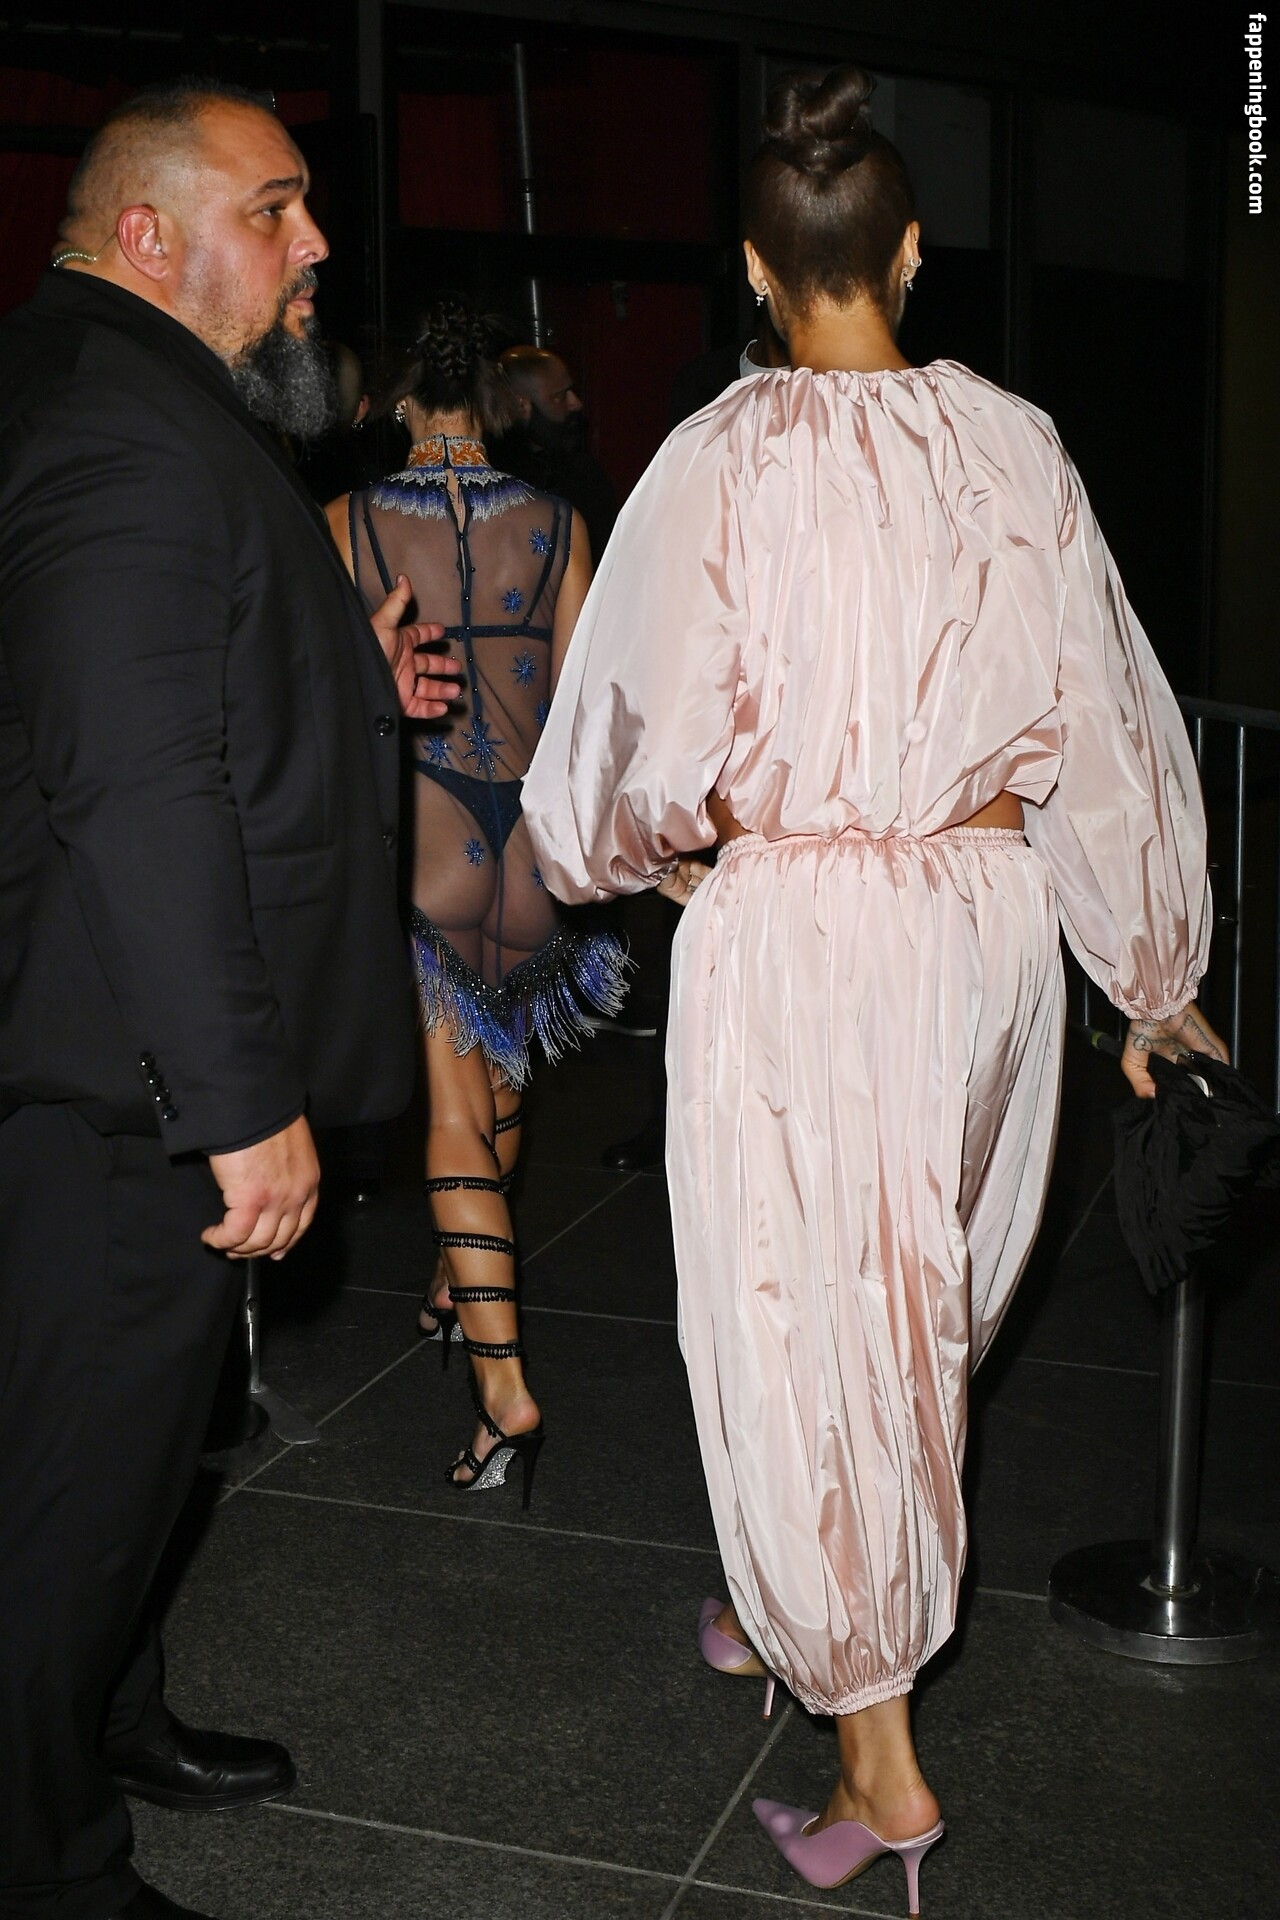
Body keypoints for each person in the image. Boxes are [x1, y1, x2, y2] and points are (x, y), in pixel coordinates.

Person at [524, 65, 1223, 1911]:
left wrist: (642, 853)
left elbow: (621, 736)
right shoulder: (1018, 447)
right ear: (912, 252)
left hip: (807, 934)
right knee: (914, 1304)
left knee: (812, 1320)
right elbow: (1108, 718)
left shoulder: (719, 460)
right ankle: (798, 1601)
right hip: (982, 927)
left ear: (759, 272)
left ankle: (880, 1765)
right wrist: (1152, 971)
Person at [0, 80, 460, 1920]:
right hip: (122, 1085)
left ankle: (109, 1718)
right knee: (69, 1496)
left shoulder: (114, 387)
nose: (316, 244)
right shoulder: (121, 423)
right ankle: (48, 1866)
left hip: (105, 1052)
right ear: (147, 235)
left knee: (127, 1465)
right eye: (275, 210)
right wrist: (237, 1100)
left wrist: (342, 674)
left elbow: (155, 677)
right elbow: (131, 781)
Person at [326, 299, 625, 1506]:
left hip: (430, 828)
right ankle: (461, 1280)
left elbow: (329, 693)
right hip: (530, 843)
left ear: (401, 399)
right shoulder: (557, 523)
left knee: (452, 1112)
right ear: (491, 407)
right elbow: (590, 703)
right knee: (502, 1090)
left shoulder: (348, 521)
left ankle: (503, 1389)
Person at [497, 343, 618, 562]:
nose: (575, 403)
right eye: (560, 397)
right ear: (521, 406)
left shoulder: (585, 475)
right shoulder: (495, 481)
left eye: (572, 391)